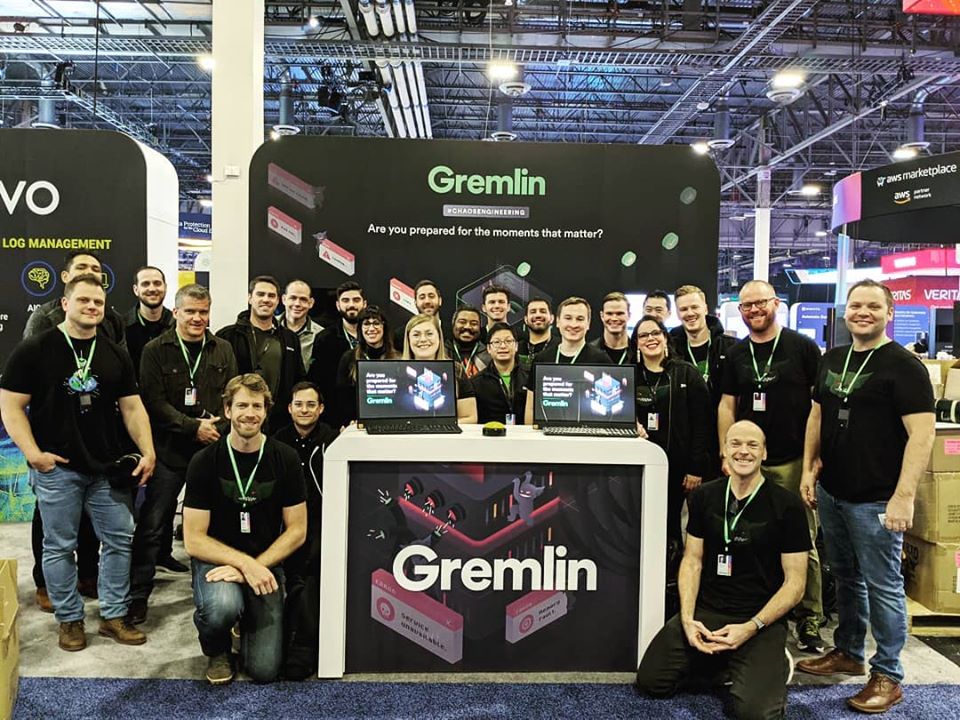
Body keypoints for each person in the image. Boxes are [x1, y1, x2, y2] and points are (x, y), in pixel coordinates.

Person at [796, 280, 935, 714]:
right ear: (846, 311)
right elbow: (817, 414)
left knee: (883, 584)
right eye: (856, 305)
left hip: (877, 498)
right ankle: (849, 651)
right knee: (846, 576)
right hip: (833, 490)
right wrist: (809, 467)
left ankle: (888, 674)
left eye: (873, 306)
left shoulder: (905, 366)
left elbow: (922, 435)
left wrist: (903, 497)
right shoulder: (833, 358)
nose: (863, 312)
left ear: (890, 313)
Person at [1, 274, 156, 651]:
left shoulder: (114, 352)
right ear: (65, 304)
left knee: (120, 540)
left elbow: (132, 408)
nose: (92, 307)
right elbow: (11, 405)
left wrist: (148, 450)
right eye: (84, 300)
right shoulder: (35, 350)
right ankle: (69, 620)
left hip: (107, 468)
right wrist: (33, 453)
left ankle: (113, 616)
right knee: (59, 546)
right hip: (58, 468)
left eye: (98, 302)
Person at [635, 421, 810, 720]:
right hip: (709, 610)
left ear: (764, 453)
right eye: (736, 444)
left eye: (753, 445)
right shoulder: (705, 496)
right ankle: (726, 662)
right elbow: (692, 560)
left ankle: (772, 662)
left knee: (754, 714)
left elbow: (796, 584)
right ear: (725, 450)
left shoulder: (787, 505)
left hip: (759, 619)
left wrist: (752, 626)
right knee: (652, 681)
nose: (743, 451)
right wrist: (687, 619)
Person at [718, 279, 825, 653]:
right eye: (746, 306)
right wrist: (726, 454)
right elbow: (727, 406)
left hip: (793, 460)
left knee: (802, 540)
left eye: (760, 303)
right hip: (748, 464)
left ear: (776, 303)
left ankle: (809, 617)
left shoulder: (802, 348)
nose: (754, 310)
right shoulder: (736, 354)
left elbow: (818, 408)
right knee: (749, 538)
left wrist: (811, 462)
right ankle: (758, 610)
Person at [182, 374, 308, 685]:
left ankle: (245, 618)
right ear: (227, 410)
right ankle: (217, 648)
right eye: (241, 405)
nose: (249, 413)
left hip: (266, 562)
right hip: (216, 562)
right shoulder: (203, 461)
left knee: (264, 671)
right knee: (221, 608)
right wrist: (245, 565)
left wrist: (254, 567)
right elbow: (194, 539)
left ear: (265, 412)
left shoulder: (285, 458)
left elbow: (297, 530)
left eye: (256, 406)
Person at [129, 284, 238, 623]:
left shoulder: (223, 349)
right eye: (190, 311)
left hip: (212, 451)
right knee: (152, 524)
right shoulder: (154, 350)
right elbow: (153, 402)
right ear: (175, 312)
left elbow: (232, 396)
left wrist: (217, 428)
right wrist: (193, 427)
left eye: (203, 312)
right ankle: (137, 594)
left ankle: (218, 591)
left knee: (220, 523)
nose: (197, 318)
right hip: (169, 451)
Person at [272, 381, 339, 679]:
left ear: (321, 409)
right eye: (299, 404)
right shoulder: (277, 441)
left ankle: (301, 648)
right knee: (295, 573)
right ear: (289, 408)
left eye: (311, 404)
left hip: (324, 520)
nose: (304, 410)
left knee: (310, 572)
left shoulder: (334, 440)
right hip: (283, 523)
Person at [631, 315, 711, 544]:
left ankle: (673, 564)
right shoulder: (630, 375)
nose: (650, 339)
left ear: (665, 338)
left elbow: (702, 423)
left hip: (679, 469)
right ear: (636, 343)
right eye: (643, 335)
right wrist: (631, 423)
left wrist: (695, 468)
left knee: (673, 525)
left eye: (655, 333)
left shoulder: (687, 373)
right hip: (639, 466)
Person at [216, 275, 304, 430]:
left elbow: (298, 379)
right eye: (260, 294)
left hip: (278, 423)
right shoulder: (227, 336)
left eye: (271, 296)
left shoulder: (290, 339)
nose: (266, 299)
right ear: (250, 298)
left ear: (278, 301)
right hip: (239, 420)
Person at [670, 284, 737, 478]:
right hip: (684, 444)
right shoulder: (671, 350)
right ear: (677, 313)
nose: (690, 313)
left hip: (720, 441)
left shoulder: (729, 348)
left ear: (706, 308)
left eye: (694, 307)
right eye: (683, 309)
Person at [523, 297, 609, 424]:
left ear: (588, 324)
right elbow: (531, 407)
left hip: (588, 432)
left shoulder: (601, 360)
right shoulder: (542, 359)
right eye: (568, 318)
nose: (573, 324)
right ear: (557, 321)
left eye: (580, 319)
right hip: (547, 432)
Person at [24, 250, 126, 347]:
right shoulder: (44, 318)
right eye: (81, 267)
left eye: (95, 269)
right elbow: (30, 356)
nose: (89, 272)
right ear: (65, 276)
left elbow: (121, 357)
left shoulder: (113, 320)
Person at [307, 281, 367, 427]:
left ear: (364, 304)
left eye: (356, 300)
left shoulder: (375, 336)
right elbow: (319, 382)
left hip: (371, 410)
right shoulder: (325, 338)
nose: (351, 305)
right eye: (345, 300)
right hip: (336, 418)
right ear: (338, 305)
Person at [402, 314, 478, 423]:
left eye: (429, 334)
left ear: (439, 337)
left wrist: (437, 427)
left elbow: (470, 417)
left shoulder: (456, 370)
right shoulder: (397, 372)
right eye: (416, 335)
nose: (423, 339)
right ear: (408, 340)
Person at [333, 306, 398, 426]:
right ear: (360, 329)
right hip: (357, 423)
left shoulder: (398, 358)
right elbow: (342, 398)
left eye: (376, 323)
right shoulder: (348, 358)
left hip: (392, 421)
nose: (371, 328)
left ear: (384, 327)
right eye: (366, 324)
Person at [124, 266, 174, 379]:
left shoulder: (178, 325)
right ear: (136, 290)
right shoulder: (122, 327)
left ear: (165, 287)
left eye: (157, 283)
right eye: (145, 284)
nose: (152, 289)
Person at [473, 322, 528, 425]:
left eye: (508, 341)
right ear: (489, 348)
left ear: (516, 346)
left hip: (523, 433)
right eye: (497, 342)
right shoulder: (476, 382)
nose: (503, 346)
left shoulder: (529, 378)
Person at [281, 279, 323, 372]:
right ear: (284, 299)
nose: (297, 304)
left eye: (303, 299)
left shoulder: (320, 335)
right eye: (293, 298)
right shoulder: (269, 327)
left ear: (311, 303)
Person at [392, 279, 444, 349]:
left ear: (440, 301)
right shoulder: (401, 335)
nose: (427, 301)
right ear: (415, 303)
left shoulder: (451, 332)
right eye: (422, 297)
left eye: (431, 296)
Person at [589, 291, 632, 365]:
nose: (614, 318)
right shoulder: (589, 352)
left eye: (619, 313)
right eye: (609, 313)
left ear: (629, 315)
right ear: (602, 316)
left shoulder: (639, 352)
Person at [447, 306, 490, 379]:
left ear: (480, 327)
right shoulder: (442, 353)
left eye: (474, 323)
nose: (467, 327)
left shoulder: (489, 355)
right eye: (462, 322)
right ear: (453, 324)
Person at [516, 297, 554, 368]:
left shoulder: (560, 347)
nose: (538, 315)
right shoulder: (516, 348)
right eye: (533, 312)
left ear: (552, 318)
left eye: (543, 311)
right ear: (526, 319)